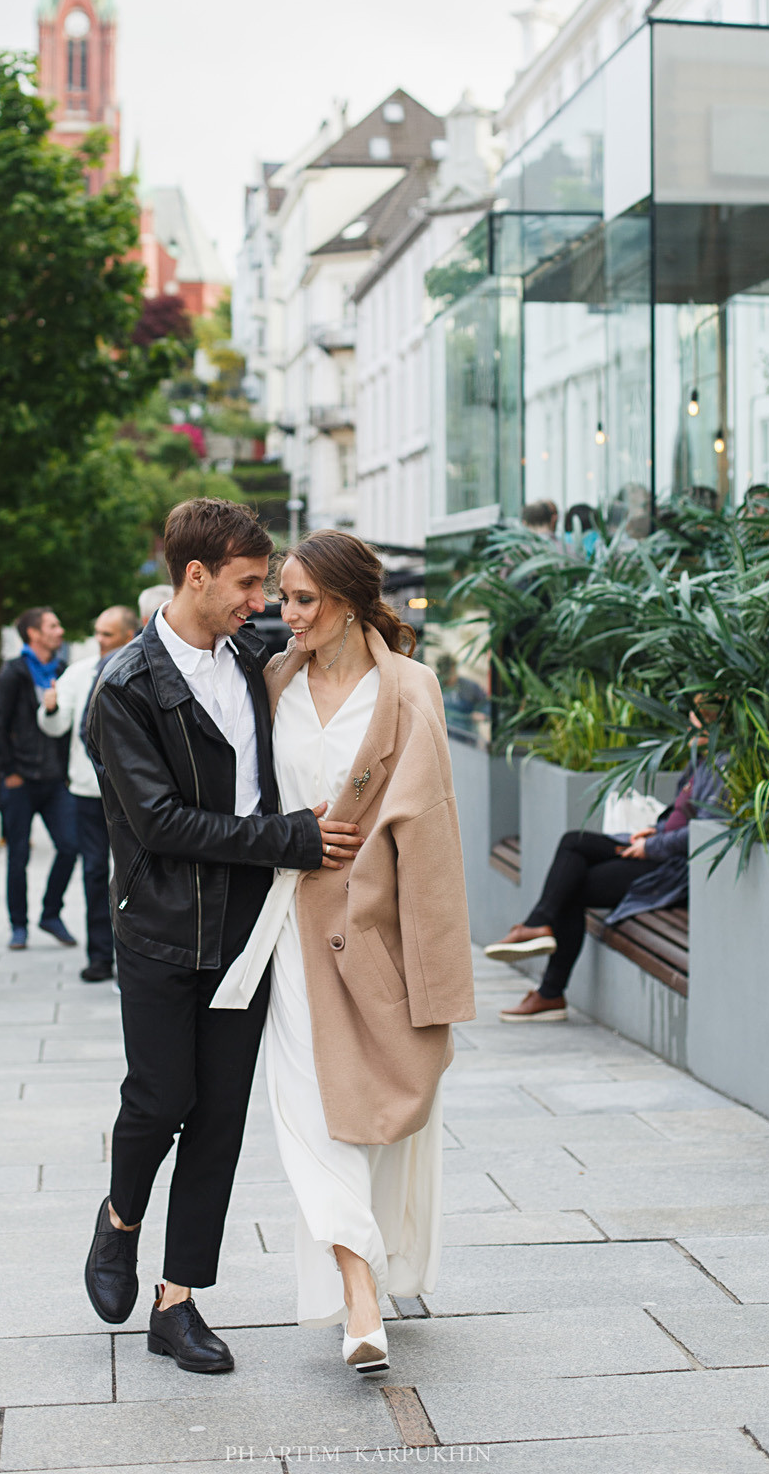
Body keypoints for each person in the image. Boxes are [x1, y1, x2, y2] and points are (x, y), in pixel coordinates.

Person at [81, 498, 359, 1374]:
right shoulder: (125, 688)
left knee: (219, 1121)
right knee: (160, 1101)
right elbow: (162, 822)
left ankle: (179, 1302)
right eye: (246, 584)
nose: (259, 602)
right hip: (161, 932)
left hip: (250, 932)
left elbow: (347, 663)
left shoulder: (253, 663)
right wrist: (291, 838)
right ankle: (120, 1220)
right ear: (193, 575)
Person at [212, 531, 474, 1375]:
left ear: (351, 601)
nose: (285, 616)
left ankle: (375, 1269)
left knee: (381, 1116)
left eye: (302, 600)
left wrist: (437, 977)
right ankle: (361, 1301)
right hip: (288, 927)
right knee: (308, 1110)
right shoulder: (272, 679)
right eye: (281, 598)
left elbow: (432, 837)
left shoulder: (409, 688)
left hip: (378, 935)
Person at [485, 703, 724, 1020]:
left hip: (670, 866)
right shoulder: (700, 761)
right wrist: (654, 830)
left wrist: (652, 845)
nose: (687, 726)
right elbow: (681, 815)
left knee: (572, 885)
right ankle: (539, 939)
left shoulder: (724, 767)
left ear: (714, 725)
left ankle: (548, 982)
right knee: (574, 843)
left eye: (694, 719)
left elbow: (703, 832)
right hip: (655, 844)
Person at [37, 605, 138, 983]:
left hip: (129, 795)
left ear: (128, 636)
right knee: (94, 872)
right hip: (86, 791)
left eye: (107, 634)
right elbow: (54, 725)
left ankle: (129, 953)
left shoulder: (138, 670)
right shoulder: (78, 673)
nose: (99, 640)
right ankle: (99, 956)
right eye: (97, 633)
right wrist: (48, 710)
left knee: (130, 875)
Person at [0, 606, 80, 950]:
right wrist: (9, 771)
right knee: (18, 855)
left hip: (55, 779)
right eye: (53, 625)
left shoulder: (62, 670)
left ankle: (50, 913)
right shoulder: (14, 673)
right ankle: (18, 926)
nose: (59, 631)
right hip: (20, 779)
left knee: (69, 846)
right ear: (33, 634)